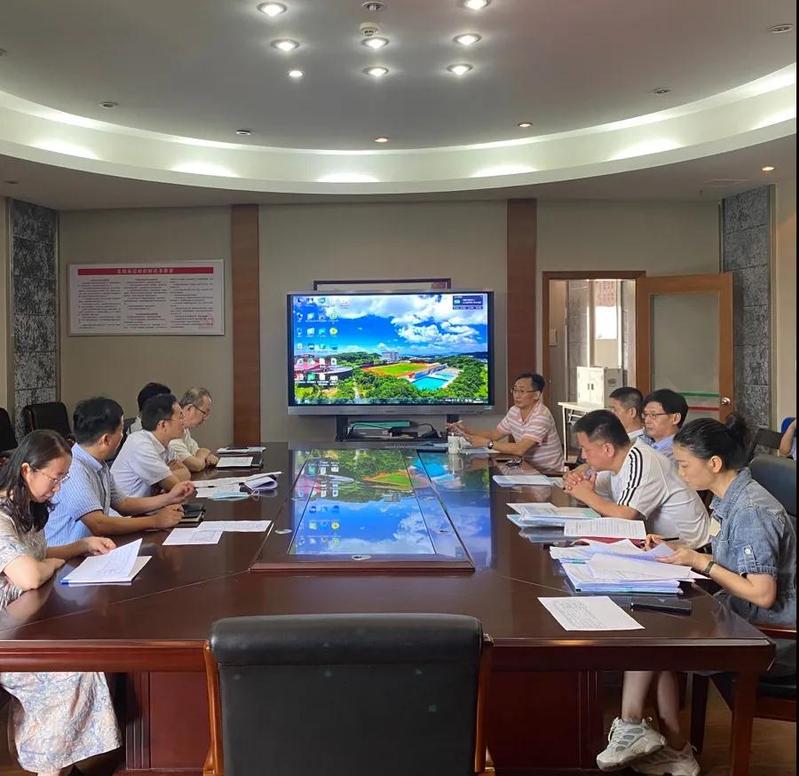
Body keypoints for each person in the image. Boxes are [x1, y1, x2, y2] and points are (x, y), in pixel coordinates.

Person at [596, 414, 796, 775]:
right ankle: (663, 744)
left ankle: (646, 733)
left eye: (685, 465)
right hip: (741, 613)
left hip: (769, 634)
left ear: (714, 463)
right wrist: (679, 549)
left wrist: (700, 562)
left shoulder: (752, 510)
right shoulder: (730, 498)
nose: (680, 472)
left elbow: (763, 594)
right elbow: (732, 559)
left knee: (658, 631)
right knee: (655, 620)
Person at [0, 430, 122, 776]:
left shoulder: (25, 507)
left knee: (86, 658)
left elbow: (37, 554)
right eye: (54, 479)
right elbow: (29, 574)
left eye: (63, 479)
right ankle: (48, 768)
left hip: (25, 621)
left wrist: (81, 547)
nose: (58, 488)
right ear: (27, 470)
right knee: (71, 671)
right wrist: (52, 564)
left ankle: (62, 763)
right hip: (7, 634)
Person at [45, 397, 194, 545]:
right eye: (121, 430)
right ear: (106, 439)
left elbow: (123, 504)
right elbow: (98, 524)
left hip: (92, 549)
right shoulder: (74, 469)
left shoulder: (99, 464)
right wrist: (156, 521)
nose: (122, 436)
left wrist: (169, 498)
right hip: (68, 557)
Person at [563, 410, 709, 548]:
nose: (583, 456)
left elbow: (625, 516)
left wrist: (587, 495)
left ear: (608, 449)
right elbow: (596, 498)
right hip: (655, 545)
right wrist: (579, 488)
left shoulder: (642, 461)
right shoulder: (612, 463)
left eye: (586, 449)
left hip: (690, 550)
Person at [448, 373, 564, 472]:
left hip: (548, 474)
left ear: (536, 395)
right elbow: (495, 434)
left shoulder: (541, 416)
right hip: (525, 468)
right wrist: (466, 431)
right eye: (515, 390)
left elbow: (520, 449)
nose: (517, 395)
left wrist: (487, 444)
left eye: (522, 391)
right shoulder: (514, 411)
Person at [111, 394, 191, 498]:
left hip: (149, 504)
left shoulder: (164, 444)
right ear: (163, 425)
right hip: (127, 508)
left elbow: (186, 473)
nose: (183, 422)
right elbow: (174, 485)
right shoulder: (141, 445)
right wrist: (166, 478)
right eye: (180, 417)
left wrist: (162, 478)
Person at [169, 388, 219, 472]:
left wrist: (204, 455)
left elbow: (198, 451)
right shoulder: (172, 433)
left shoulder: (185, 430)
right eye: (204, 413)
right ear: (190, 408)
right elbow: (196, 465)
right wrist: (203, 455)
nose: (205, 418)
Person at [640, 388, 689, 459]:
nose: (647, 421)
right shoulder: (645, 443)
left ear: (675, 418)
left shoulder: (678, 454)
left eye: (653, 415)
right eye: (645, 414)